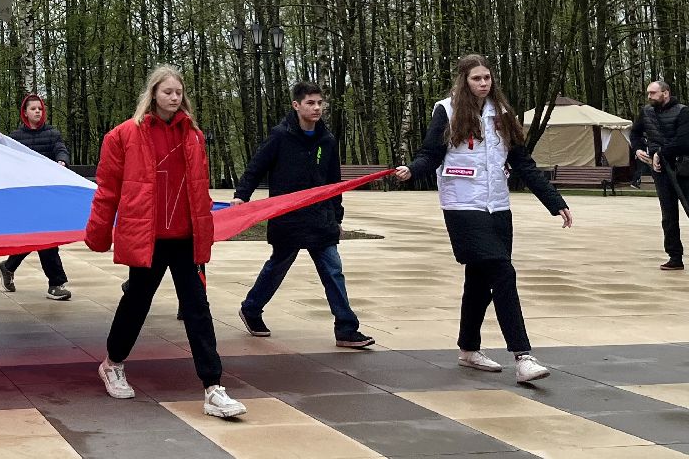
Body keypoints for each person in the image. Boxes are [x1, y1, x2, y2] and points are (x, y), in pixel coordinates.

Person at [395, 53, 572, 384]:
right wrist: (412, 170)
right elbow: (431, 153)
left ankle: (468, 349)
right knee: (502, 272)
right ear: (464, 81)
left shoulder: (502, 114)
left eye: (487, 78)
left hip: (498, 209)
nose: (483, 83)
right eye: (476, 78)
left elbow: (522, 162)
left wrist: (554, 200)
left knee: (479, 281)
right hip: (462, 207)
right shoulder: (445, 110)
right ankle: (523, 356)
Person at [85, 65, 246, 419]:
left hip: (185, 239)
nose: (174, 98)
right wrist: (97, 233)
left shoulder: (194, 136)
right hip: (148, 239)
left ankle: (213, 387)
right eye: (167, 92)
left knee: (197, 308)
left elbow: (197, 190)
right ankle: (112, 363)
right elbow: (107, 190)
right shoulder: (123, 136)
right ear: (153, 93)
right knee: (136, 303)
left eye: (178, 92)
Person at [231, 82, 374, 348]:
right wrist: (242, 196)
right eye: (310, 103)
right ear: (296, 105)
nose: (317, 107)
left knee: (333, 270)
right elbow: (256, 166)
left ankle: (346, 328)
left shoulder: (327, 140)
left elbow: (334, 183)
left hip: (320, 219)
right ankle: (251, 309)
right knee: (277, 267)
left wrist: (337, 217)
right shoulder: (280, 136)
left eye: (320, 102)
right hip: (288, 217)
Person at [0, 94, 72, 301]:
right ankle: (56, 284)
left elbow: (61, 150)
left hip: (47, 196)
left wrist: (62, 161)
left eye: (40, 108)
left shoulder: (52, 134)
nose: (37, 111)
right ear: (25, 113)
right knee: (46, 239)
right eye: (33, 109)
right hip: (27, 198)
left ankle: (9, 266)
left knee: (41, 238)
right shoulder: (15, 138)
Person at [629, 79, 689, 270]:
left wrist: (660, 153)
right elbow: (635, 133)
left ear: (666, 93)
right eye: (648, 93)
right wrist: (637, 149)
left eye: (653, 93)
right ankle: (675, 256)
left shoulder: (683, 111)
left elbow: (684, 141)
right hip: (661, 170)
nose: (649, 96)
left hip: (683, 167)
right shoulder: (647, 112)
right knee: (668, 215)